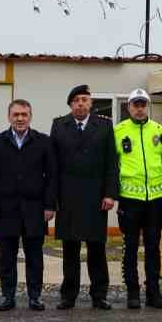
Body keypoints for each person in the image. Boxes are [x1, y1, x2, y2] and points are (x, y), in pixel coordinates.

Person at [49, 84, 118, 309]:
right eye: (77, 100)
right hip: (68, 197)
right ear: (70, 104)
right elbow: (53, 166)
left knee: (97, 248)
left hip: (95, 197)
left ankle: (99, 295)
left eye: (85, 99)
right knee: (70, 249)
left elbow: (111, 163)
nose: (81, 103)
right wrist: (53, 198)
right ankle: (69, 295)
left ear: (91, 103)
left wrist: (110, 194)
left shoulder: (105, 126)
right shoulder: (59, 125)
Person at [0, 99, 57, 310]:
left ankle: (35, 296)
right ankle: (8, 296)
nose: (20, 118)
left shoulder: (43, 141)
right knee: (7, 257)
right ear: (9, 117)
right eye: (16, 114)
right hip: (6, 210)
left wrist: (50, 206)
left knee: (35, 256)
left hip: (35, 209)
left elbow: (52, 176)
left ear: (30, 117)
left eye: (24, 114)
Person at [113, 88, 162, 309]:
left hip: (155, 199)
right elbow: (111, 165)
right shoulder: (118, 131)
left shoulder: (159, 131)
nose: (139, 108)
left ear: (148, 106)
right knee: (130, 247)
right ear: (128, 107)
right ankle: (133, 293)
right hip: (129, 199)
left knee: (153, 247)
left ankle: (153, 293)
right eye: (135, 105)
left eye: (143, 104)